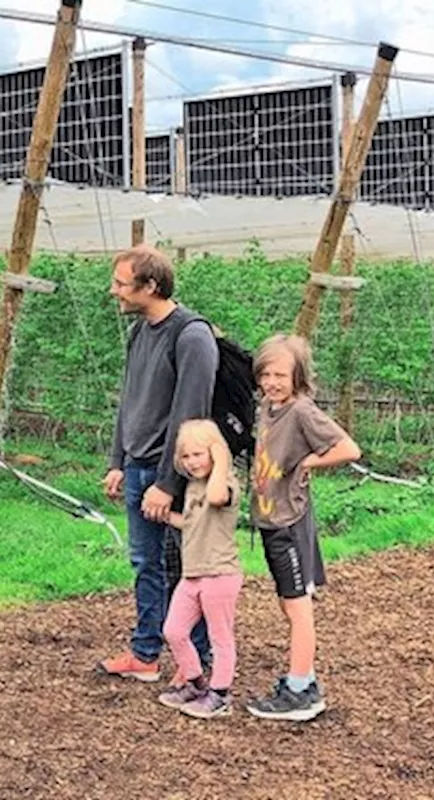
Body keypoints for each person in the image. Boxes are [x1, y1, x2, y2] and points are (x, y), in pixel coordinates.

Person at [99, 244, 217, 684]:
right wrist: (119, 461)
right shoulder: (140, 332)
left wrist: (168, 483)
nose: (114, 292)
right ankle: (145, 653)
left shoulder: (191, 336)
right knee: (146, 563)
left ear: (150, 286)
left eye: (121, 284)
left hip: (176, 477)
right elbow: (129, 401)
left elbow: (191, 416)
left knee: (190, 566)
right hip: (137, 468)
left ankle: (200, 662)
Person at [245, 334, 360, 722]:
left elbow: (347, 449)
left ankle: (299, 692)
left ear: (299, 376)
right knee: (286, 602)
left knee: (298, 609)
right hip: (269, 518)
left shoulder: (301, 412)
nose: (272, 382)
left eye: (281, 375)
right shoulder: (268, 406)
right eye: (266, 374)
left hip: (288, 522)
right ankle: (304, 679)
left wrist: (308, 463)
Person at [157, 419, 243, 720]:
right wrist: (165, 515)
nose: (193, 462)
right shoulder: (194, 487)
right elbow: (192, 524)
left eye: (199, 454)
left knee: (220, 636)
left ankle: (220, 694)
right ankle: (194, 682)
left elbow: (217, 497)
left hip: (219, 573)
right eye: (187, 456)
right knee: (174, 630)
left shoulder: (227, 483)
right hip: (192, 574)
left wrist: (221, 459)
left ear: (216, 453)